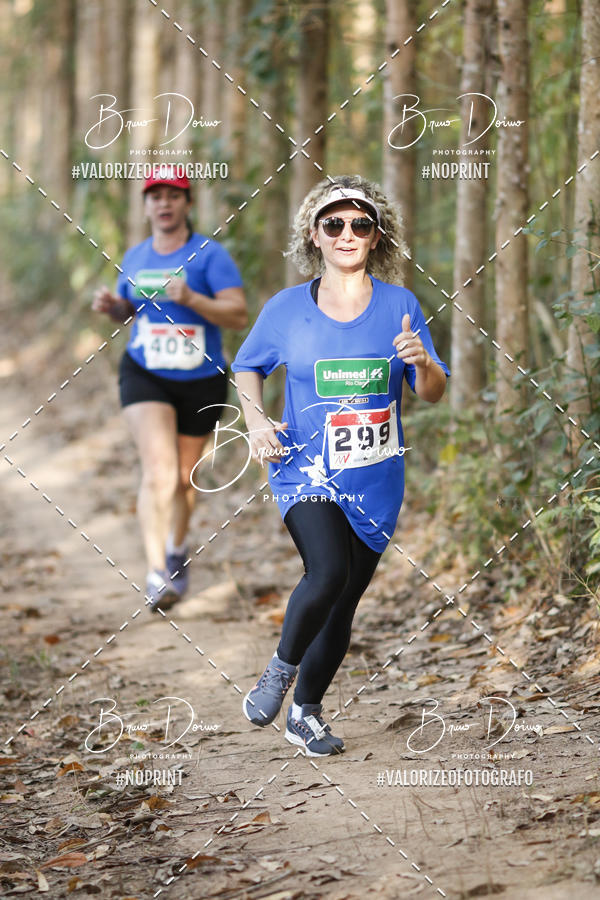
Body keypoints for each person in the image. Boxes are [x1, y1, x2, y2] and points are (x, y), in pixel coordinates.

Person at [231, 175, 449, 756]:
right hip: (305, 467)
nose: (347, 233)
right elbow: (246, 366)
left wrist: (422, 362)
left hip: (376, 478)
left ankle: (306, 712)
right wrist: (255, 422)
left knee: (344, 600)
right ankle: (280, 672)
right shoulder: (285, 310)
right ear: (315, 235)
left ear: (377, 237)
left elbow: (432, 392)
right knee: (325, 572)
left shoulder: (401, 307)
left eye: (360, 224)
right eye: (334, 223)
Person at [92, 167, 247, 611]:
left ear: (188, 204)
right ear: (145, 206)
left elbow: (237, 315)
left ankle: (178, 550)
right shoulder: (136, 255)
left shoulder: (210, 255)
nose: (164, 203)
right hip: (146, 372)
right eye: (155, 196)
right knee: (158, 473)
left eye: (173, 195)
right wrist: (113, 307)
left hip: (201, 379)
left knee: (183, 478)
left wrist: (191, 299)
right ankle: (157, 571)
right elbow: (130, 310)